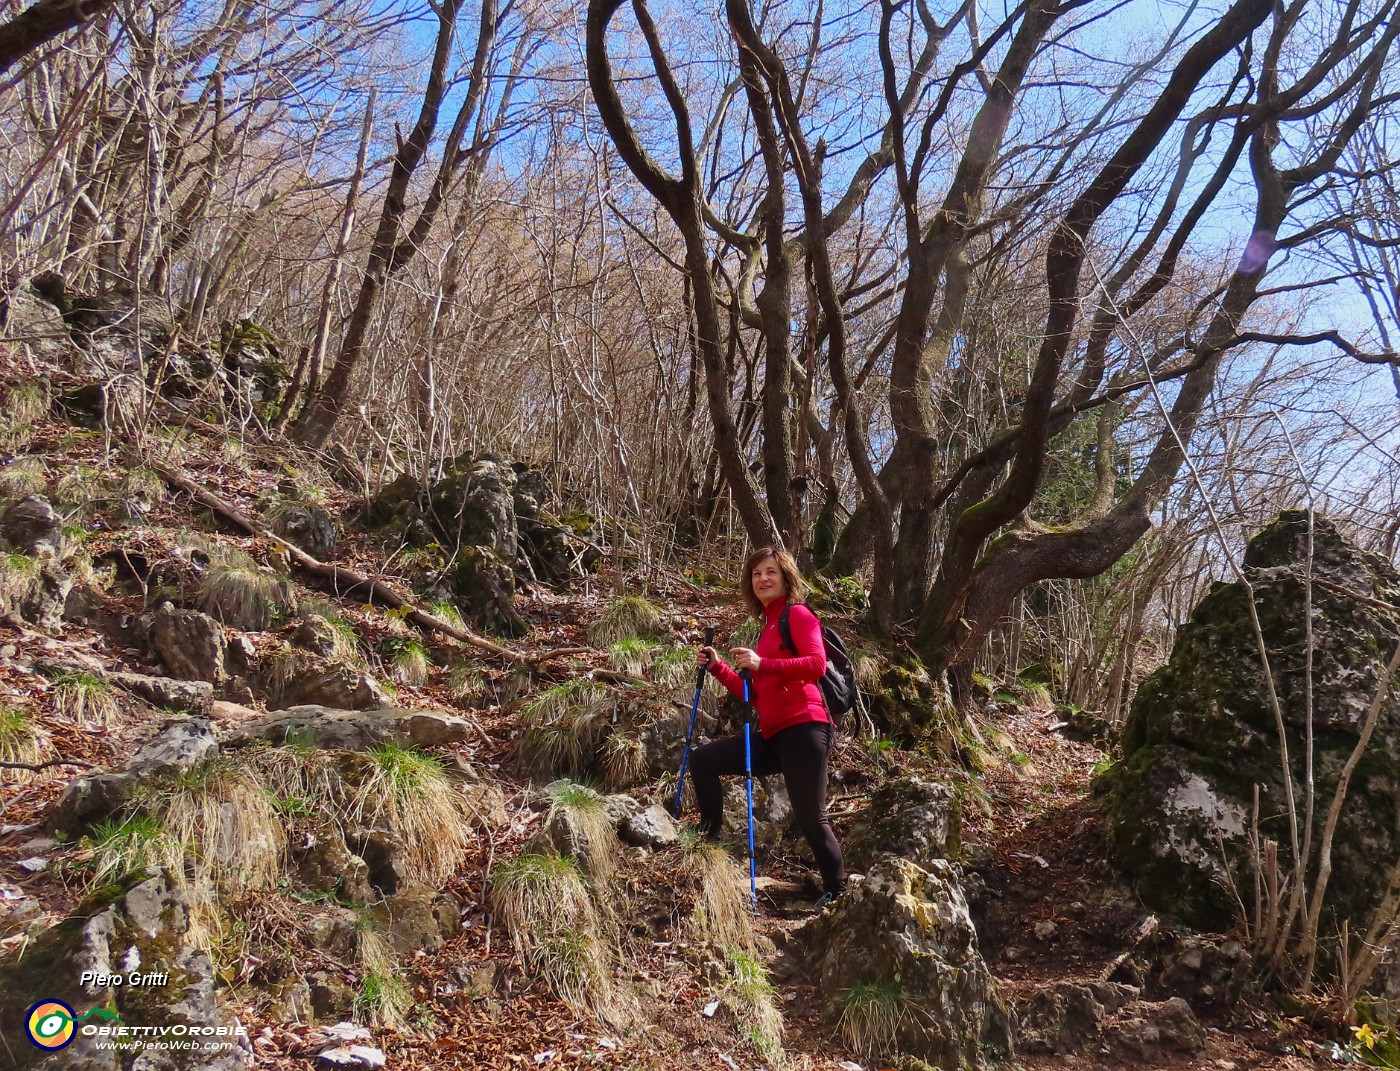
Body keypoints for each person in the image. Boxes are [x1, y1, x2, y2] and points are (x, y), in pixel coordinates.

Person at [691, 545, 847, 907]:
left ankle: (837, 892)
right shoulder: (767, 628)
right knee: (704, 762)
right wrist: (719, 668)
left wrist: (763, 663)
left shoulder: (798, 615)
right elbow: (754, 694)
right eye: (757, 573)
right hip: (774, 734)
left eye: (771, 572)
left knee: (811, 816)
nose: (763, 578)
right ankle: (704, 840)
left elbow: (816, 665)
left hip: (806, 727)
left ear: (786, 578)